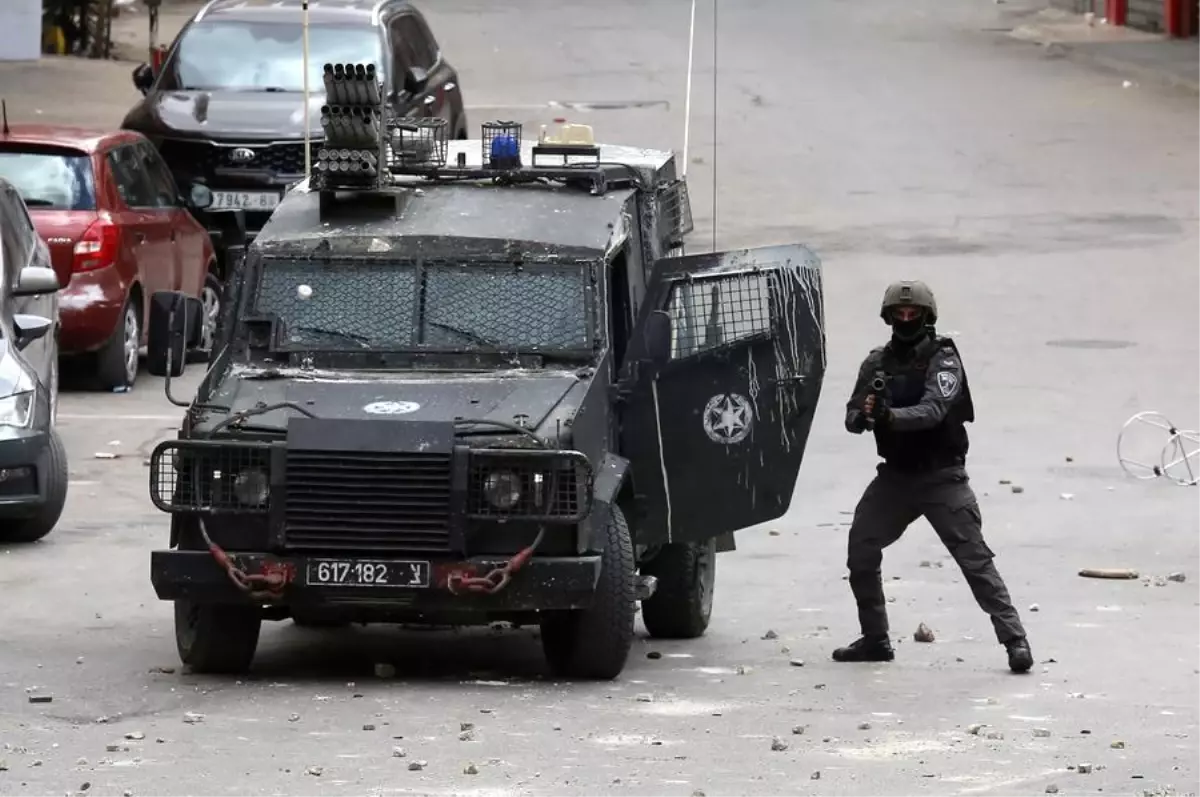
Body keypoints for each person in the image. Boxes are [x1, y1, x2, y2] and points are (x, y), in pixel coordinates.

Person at [834, 280, 1034, 674]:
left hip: (942, 477)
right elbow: (852, 416)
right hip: (896, 478)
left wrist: (889, 416)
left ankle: (1015, 641)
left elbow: (932, 411)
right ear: (889, 317)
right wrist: (866, 414)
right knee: (861, 549)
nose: (906, 319)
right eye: (899, 313)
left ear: (927, 317)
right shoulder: (877, 363)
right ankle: (875, 639)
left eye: (913, 314)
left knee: (975, 561)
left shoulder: (943, 360)